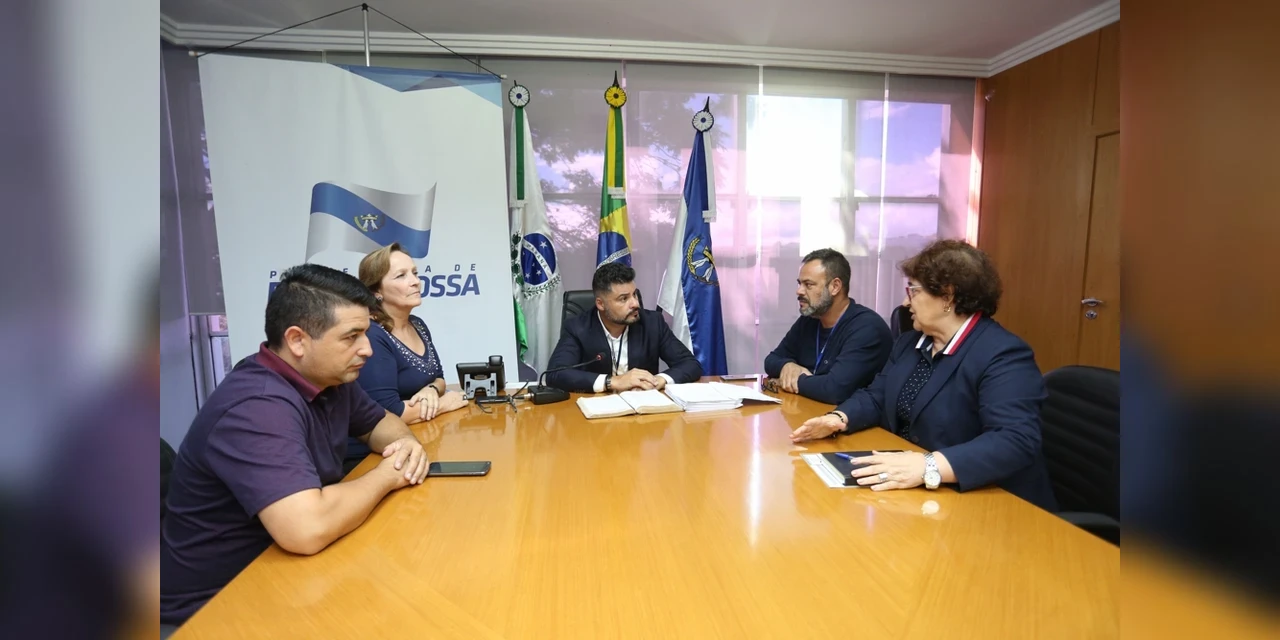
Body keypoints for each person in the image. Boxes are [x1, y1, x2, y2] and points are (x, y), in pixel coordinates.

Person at [160, 264, 430, 626]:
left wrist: (405, 445)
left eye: (366, 333)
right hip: (213, 608)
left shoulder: (331, 378)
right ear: (297, 340)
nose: (367, 349)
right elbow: (307, 528)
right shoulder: (256, 405)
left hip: (289, 577)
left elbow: (383, 423)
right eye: (352, 336)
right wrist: (389, 474)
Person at [790, 240, 1057, 510]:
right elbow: (877, 395)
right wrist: (838, 419)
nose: (905, 302)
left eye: (913, 291)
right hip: (920, 495)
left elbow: (1014, 441)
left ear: (948, 296)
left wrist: (927, 465)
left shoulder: (1003, 354)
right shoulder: (910, 343)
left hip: (994, 504)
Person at [545, 262, 702, 392]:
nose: (635, 303)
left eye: (634, 294)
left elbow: (690, 364)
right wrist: (612, 381)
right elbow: (556, 374)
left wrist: (660, 380)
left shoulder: (652, 323)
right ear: (600, 304)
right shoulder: (577, 328)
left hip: (643, 411)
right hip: (596, 411)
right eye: (623, 299)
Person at [356, 243, 466, 424]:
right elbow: (387, 413)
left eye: (415, 273)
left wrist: (431, 390)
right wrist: (442, 404)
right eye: (401, 275)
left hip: (424, 431)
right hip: (387, 440)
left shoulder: (418, 324)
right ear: (376, 291)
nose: (415, 281)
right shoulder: (372, 335)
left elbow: (439, 378)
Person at [763, 248, 892, 404]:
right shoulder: (809, 320)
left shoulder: (867, 328)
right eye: (799, 283)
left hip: (848, 417)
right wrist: (787, 366)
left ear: (835, 287)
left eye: (808, 284)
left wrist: (791, 381)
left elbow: (834, 390)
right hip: (811, 409)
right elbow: (771, 360)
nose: (799, 291)